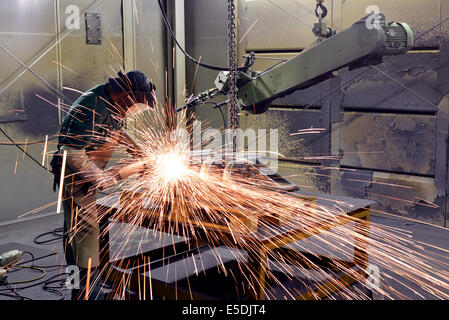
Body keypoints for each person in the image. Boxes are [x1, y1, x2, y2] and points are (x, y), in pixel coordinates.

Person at [50, 70, 157, 299]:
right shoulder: (93, 105)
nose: (134, 110)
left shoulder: (113, 103)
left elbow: (117, 132)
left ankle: (89, 279)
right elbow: (71, 151)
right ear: (125, 95)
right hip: (73, 172)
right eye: (135, 104)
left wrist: (139, 152)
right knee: (85, 231)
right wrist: (99, 178)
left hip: (87, 168)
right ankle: (83, 288)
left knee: (77, 232)